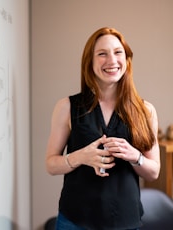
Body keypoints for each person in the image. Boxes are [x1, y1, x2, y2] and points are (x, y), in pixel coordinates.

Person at [45, 27, 160, 230]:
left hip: (126, 222)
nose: (111, 60)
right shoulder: (66, 107)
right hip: (74, 221)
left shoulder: (146, 111)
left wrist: (135, 156)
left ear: (126, 59)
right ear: (89, 61)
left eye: (117, 52)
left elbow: (154, 172)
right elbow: (51, 165)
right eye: (102, 54)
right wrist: (80, 157)